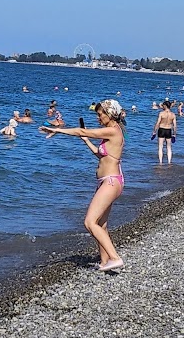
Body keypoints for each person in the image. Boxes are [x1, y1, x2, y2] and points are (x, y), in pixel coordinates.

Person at [42, 99, 127, 271]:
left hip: (110, 182)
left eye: (100, 114)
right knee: (101, 224)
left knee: (89, 222)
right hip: (108, 181)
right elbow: (100, 154)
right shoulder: (112, 132)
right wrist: (86, 140)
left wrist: (57, 129)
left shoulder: (112, 130)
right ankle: (105, 262)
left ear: (110, 114)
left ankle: (115, 258)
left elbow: (82, 129)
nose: (98, 118)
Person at [153, 100, 177, 164]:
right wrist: (174, 134)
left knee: (160, 147)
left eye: (163, 105)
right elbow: (175, 126)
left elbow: (157, 123)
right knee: (169, 147)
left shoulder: (161, 113)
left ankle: (160, 162)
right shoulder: (173, 114)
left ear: (165, 106)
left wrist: (154, 132)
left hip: (161, 129)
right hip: (168, 130)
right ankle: (169, 161)